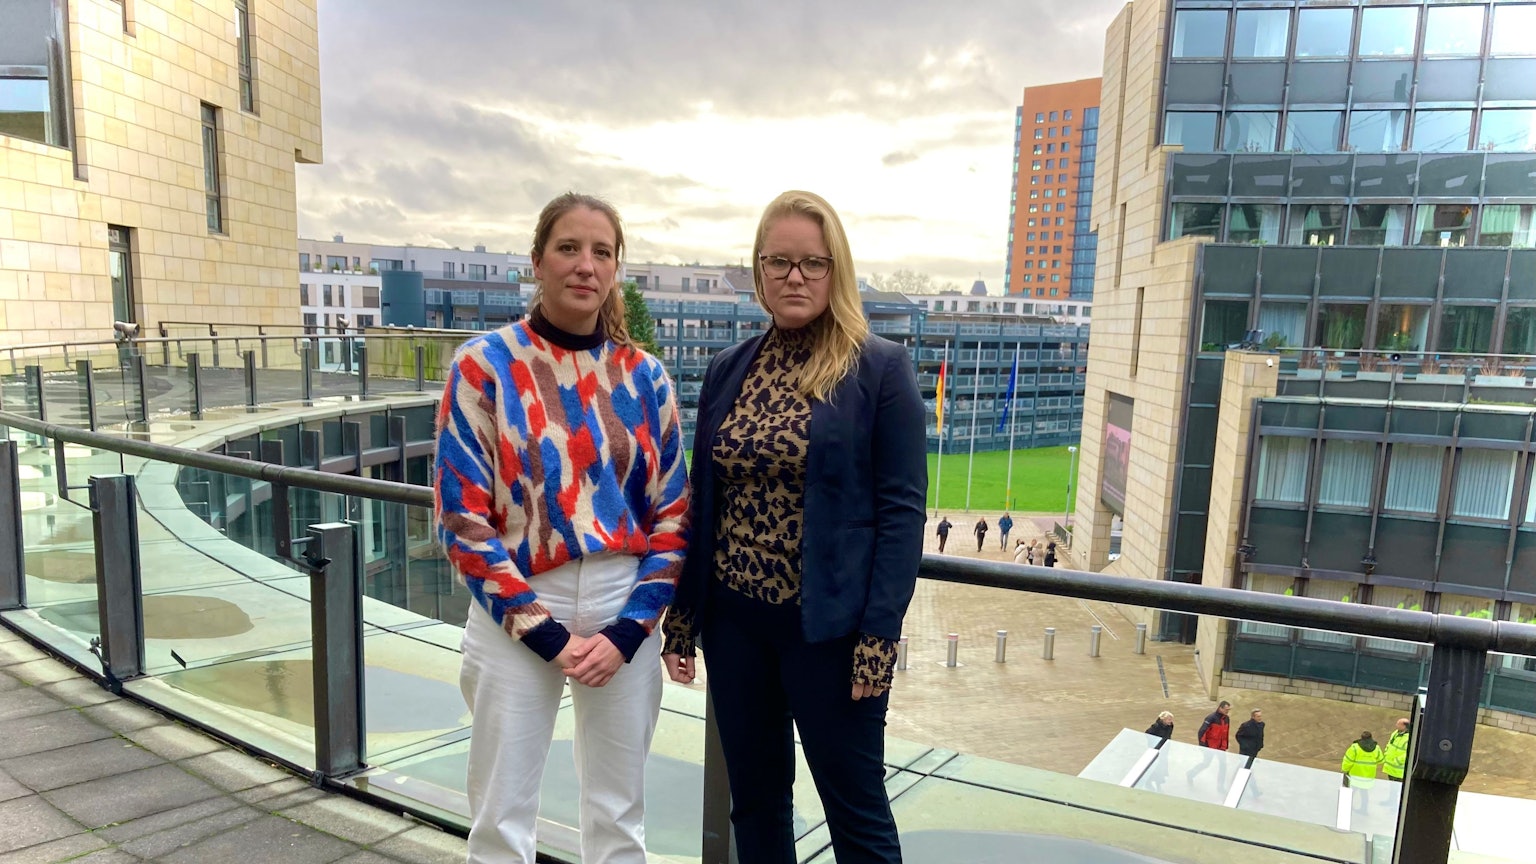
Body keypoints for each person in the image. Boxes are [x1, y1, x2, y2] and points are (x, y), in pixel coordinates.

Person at [661, 190, 927, 864]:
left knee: (856, 812)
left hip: (832, 635)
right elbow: (704, 502)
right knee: (754, 803)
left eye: (812, 262)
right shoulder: (729, 369)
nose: (795, 277)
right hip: (736, 627)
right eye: (778, 262)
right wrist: (684, 619)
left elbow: (902, 514)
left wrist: (879, 636)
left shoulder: (879, 368)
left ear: (836, 270)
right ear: (758, 273)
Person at [436, 193, 691, 864]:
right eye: (569, 249)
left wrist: (632, 629)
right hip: (515, 606)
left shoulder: (646, 379)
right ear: (537, 262)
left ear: (615, 270)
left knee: (618, 814)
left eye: (601, 252)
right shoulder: (483, 367)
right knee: (500, 816)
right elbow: (462, 519)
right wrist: (541, 631)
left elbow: (672, 516)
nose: (586, 265)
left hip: (620, 600)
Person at [1342, 731, 1386, 813]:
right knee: (1364, 793)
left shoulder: (1355, 747)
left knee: (1352, 791)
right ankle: (1364, 809)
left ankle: (1347, 807)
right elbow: (1381, 760)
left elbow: (1348, 760)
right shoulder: (1376, 747)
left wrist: (1345, 769)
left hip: (1356, 774)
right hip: (1368, 775)